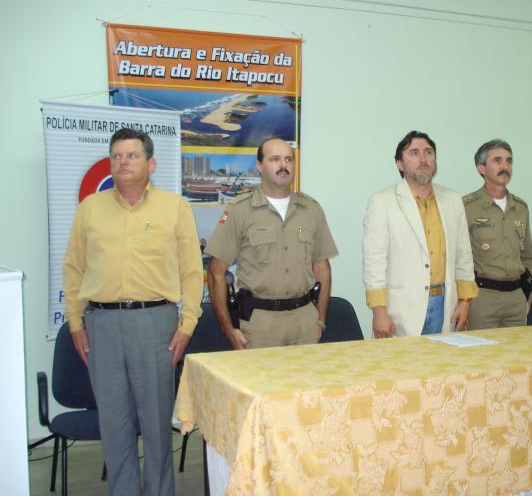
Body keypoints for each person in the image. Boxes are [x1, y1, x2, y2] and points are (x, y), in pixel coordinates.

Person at [63, 128, 203, 496]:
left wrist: (187, 325)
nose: (123, 162)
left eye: (132, 155)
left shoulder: (174, 208)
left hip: (155, 324)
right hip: (101, 325)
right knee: (115, 425)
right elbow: (73, 269)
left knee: (156, 425)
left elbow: (192, 271)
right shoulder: (90, 209)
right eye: (117, 156)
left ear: (150, 163)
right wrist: (76, 323)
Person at [206, 137, 338, 349]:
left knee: (305, 382)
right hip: (259, 327)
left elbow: (322, 268)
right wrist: (228, 329)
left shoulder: (311, 209)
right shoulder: (239, 210)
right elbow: (216, 273)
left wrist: (320, 320)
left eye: (288, 159)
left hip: (304, 323)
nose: (283, 165)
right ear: (259, 166)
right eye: (274, 159)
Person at [363, 130, 478, 337]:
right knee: (402, 367)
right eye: (414, 153)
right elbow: (374, 260)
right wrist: (379, 311)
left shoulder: (452, 200)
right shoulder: (383, 201)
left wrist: (465, 302)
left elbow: (464, 255)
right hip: (400, 309)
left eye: (428, 152)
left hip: (446, 304)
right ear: (399, 163)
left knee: (444, 367)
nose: (423, 158)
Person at [462, 139, 532, 330]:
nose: (505, 166)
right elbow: (458, 259)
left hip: (516, 298)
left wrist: (527, 296)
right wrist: (463, 301)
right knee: (482, 355)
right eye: (497, 161)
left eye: (509, 161)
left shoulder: (520, 208)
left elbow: (528, 257)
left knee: (516, 356)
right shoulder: (466, 207)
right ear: (481, 168)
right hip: (482, 297)